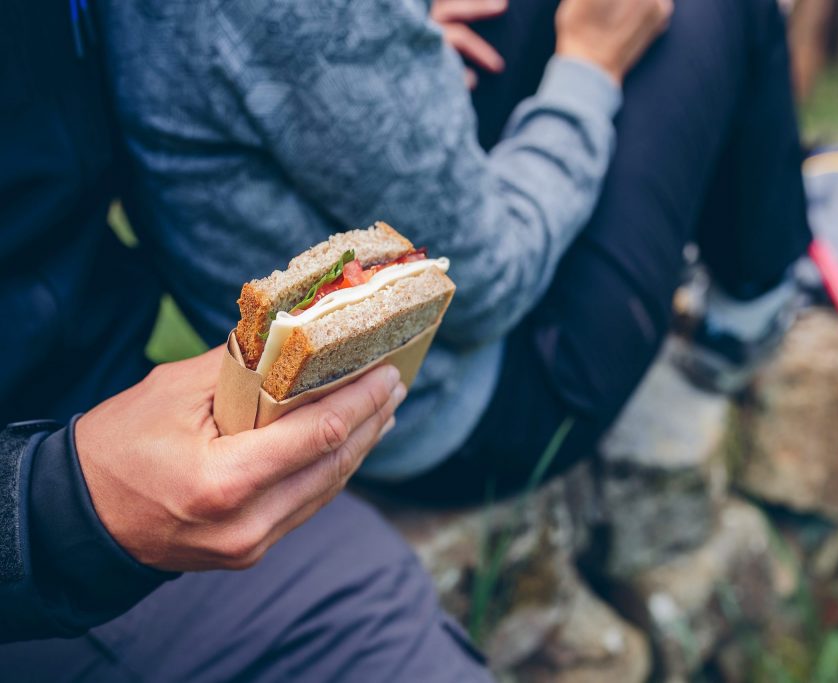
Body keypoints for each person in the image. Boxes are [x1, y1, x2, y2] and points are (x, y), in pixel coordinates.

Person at [98, 0, 810, 504]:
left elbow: (289, 50)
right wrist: (588, 70)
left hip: (327, 374)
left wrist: (399, 36)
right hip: (461, 407)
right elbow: (487, 284)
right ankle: (750, 306)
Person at [0, 2, 492, 680]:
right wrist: (55, 509)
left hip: (110, 374)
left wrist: (363, 55)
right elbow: (497, 273)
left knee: (376, 574)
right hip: (37, 568)